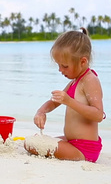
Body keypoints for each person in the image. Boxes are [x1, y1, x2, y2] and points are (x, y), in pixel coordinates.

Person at [25, 27, 105, 162]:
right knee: (38, 140)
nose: (60, 70)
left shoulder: (90, 80)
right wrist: (41, 112)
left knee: (30, 143)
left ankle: (80, 155)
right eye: (59, 65)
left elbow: (98, 115)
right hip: (72, 141)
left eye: (65, 66)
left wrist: (69, 101)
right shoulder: (75, 81)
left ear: (83, 61)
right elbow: (54, 102)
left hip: (84, 149)